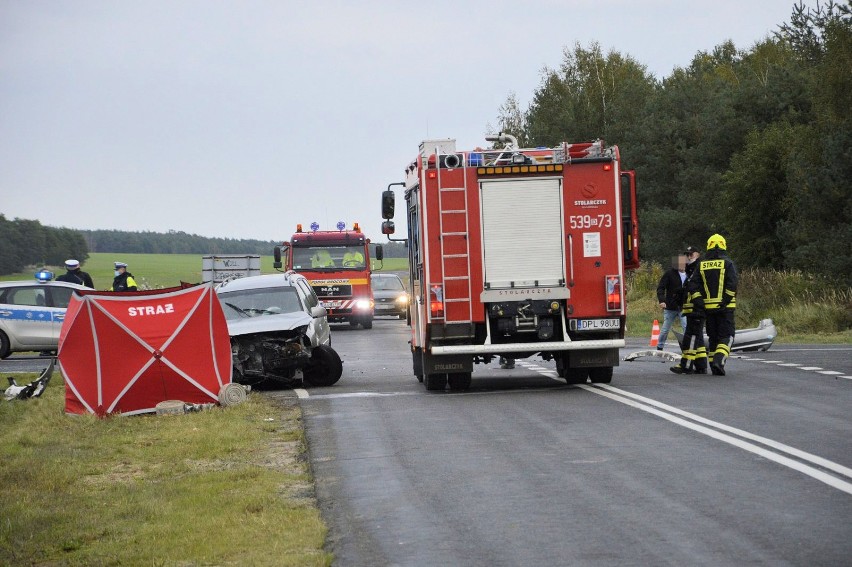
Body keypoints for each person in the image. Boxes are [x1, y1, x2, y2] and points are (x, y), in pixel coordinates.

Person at [698, 234, 738, 375]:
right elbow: (732, 284)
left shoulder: (701, 264)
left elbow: (694, 286)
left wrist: (700, 303)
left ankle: (713, 364)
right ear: (723, 245)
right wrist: (725, 301)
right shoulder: (728, 263)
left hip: (708, 309)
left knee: (713, 337)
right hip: (725, 308)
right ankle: (719, 361)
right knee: (727, 336)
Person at [670, 270, 707, 374]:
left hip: (696, 312)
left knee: (690, 340)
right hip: (693, 312)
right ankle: (701, 366)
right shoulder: (693, 276)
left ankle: (686, 365)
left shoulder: (697, 276)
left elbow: (695, 293)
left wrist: (699, 310)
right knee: (698, 340)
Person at [655, 253, 687, 350]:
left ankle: (687, 347)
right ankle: (660, 346)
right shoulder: (669, 274)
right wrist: (662, 300)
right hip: (670, 306)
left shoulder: (690, 274)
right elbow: (661, 288)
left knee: (686, 328)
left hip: (684, 306)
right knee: (665, 329)